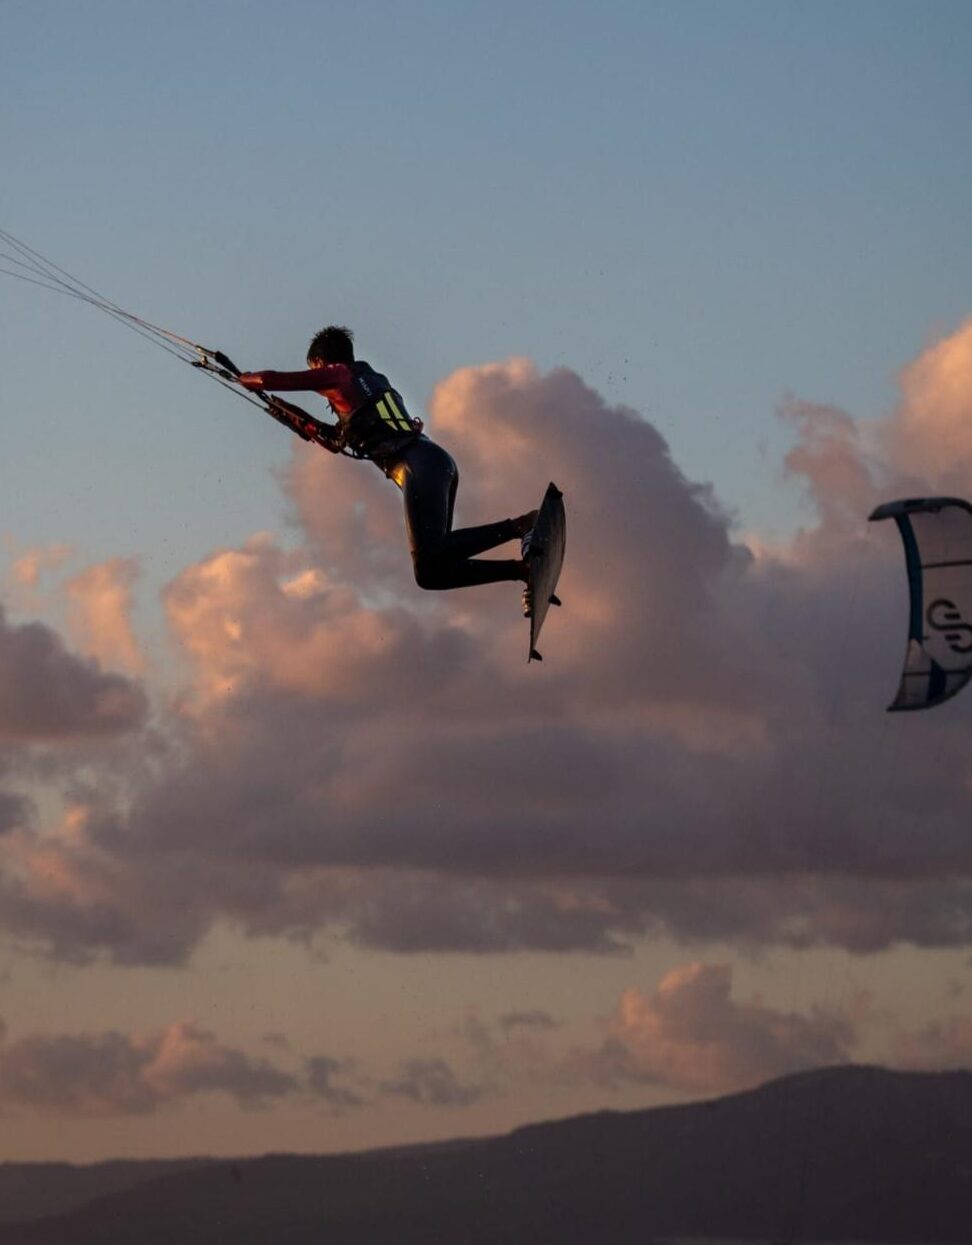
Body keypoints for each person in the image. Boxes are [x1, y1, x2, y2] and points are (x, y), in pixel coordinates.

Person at [238, 326, 537, 605]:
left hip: (419, 466)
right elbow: (335, 441)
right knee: (431, 572)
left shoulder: (338, 375)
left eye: (315, 369)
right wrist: (287, 414)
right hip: (435, 463)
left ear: (321, 362)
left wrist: (244, 379)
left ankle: (521, 525)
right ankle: (521, 570)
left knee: (432, 556)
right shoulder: (371, 381)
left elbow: (269, 379)